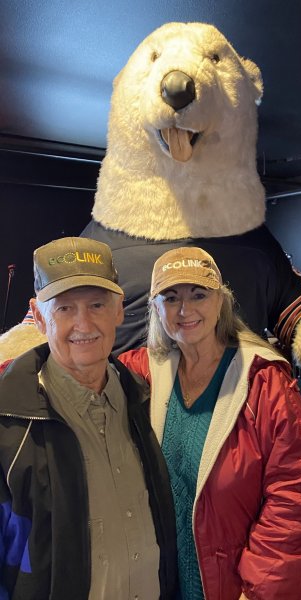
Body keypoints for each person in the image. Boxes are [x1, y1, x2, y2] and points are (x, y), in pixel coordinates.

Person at [119, 246, 301, 600]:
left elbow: (300, 497)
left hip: (238, 586)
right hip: (163, 578)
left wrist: (258, 590)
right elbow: (80, 374)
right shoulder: (143, 371)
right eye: (170, 297)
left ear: (221, 300)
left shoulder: (264, 381)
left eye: (198, 294)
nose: (185, 310)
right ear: (156, 308)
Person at [0, 237, 177, 600]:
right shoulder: (7, 424)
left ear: (118, 310)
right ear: (38, 315)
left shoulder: (142, 399)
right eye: (64, 308)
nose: (84, 324)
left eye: (97, 304)